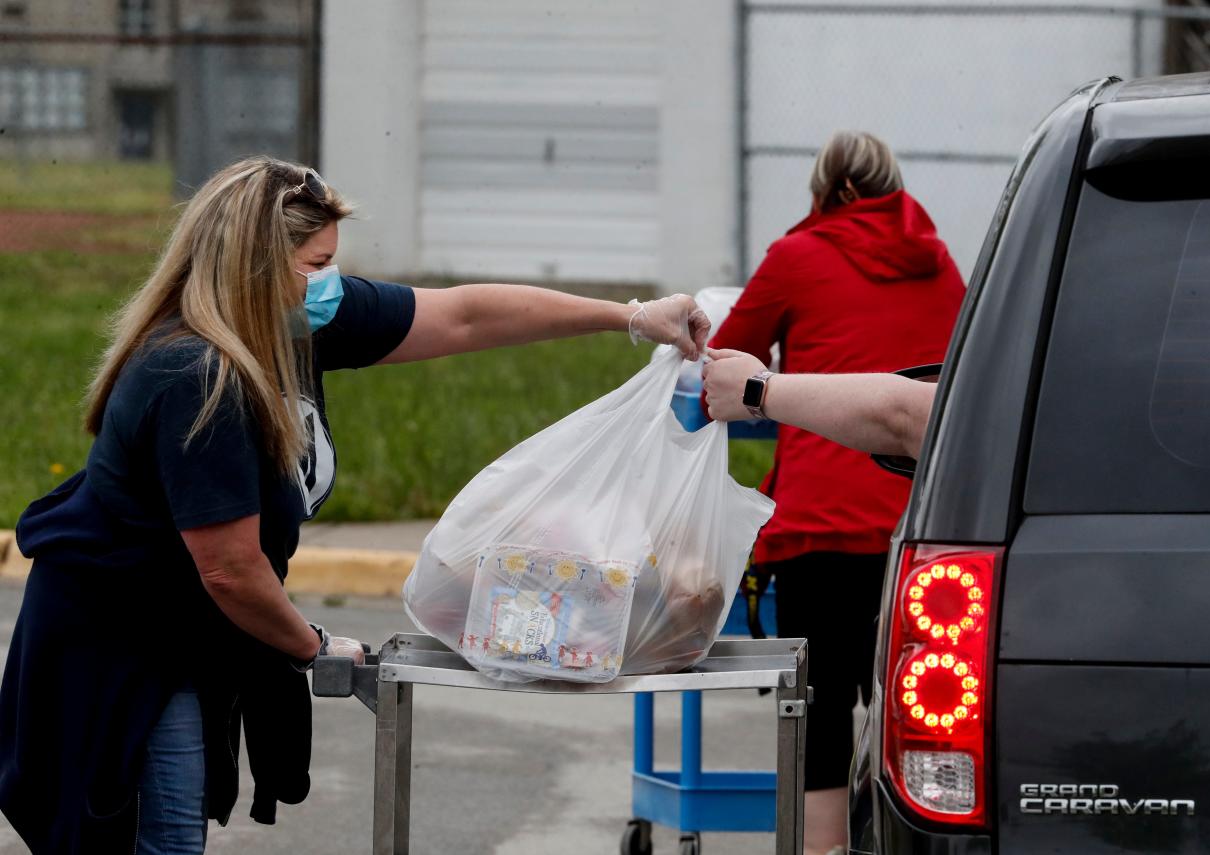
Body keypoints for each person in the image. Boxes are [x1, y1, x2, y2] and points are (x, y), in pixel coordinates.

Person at [0, 155, 709, 855]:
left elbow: (463, 315)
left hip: (179, 637)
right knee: (161, 839)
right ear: (254, 265)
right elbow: (229, 570)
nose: (330, 282)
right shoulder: (197, 375)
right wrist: (314, 644)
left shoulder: (290, 323)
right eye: (316, 262)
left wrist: (634, 316)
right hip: (119, 655)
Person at [705, 131, 963, 855]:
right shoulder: (941, 265)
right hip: (918, 522)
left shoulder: (797, 256)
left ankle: (821, 850)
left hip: (820, 524)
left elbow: (727, 356)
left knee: (817, 711)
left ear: (829, 195)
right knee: (920, 705)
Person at [702, 349, 934, 458]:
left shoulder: (791, 262)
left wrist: (758, 389)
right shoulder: (948, 274)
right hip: (914, 510)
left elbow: (907, 417)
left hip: (810, 519)